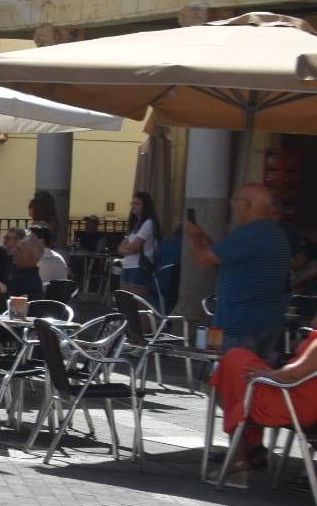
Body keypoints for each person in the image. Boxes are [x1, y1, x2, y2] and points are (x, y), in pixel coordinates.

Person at [186, 184, 293, 359]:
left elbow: (202, 259)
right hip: (268, 321)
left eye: (234, 201)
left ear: (246, 204)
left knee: (231, 378)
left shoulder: (249, 234)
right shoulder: (278, 234)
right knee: (255, 380)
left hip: (237, 325)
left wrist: (195, 237)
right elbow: (225, 256)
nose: (233, 207)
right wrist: (204, 237)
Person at [211, 328, 317, 471]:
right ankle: (245, 453)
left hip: (295, 404)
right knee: (237, 364)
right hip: (295, 397)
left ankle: (242, 456)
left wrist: (268, 374)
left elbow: (294, 374)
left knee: (235, 366)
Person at [118, 192, 161, 302]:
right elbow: (120, 248)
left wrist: (129, 249)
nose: (133, 206)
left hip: (139, 268)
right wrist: (128, 249)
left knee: (139, 307)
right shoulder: (135, 225)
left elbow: (135, 247)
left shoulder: (149, 223)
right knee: (126, 304)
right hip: (127, 266)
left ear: (145, 206)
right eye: (132, 203)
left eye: (137, 204)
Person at [5, 227, 44, 299]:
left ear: (30, 256)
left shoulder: (20, 280)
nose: (14, 252)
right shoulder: (32, 277)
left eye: (18, 249)